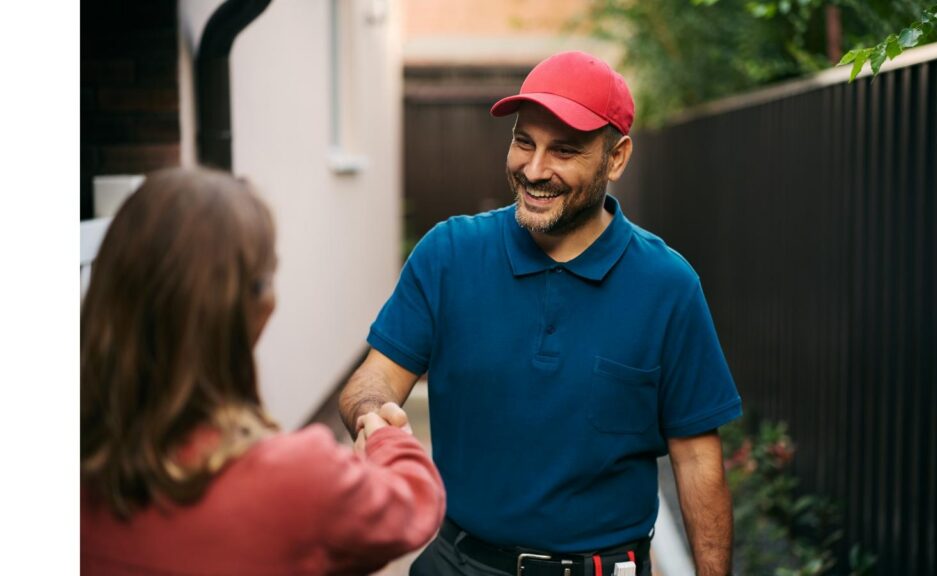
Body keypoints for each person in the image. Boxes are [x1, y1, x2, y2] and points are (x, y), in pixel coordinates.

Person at [339, 51, 742, 576]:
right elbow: (372, 380)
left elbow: (697, 462)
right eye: (523, 141)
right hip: (457, 563)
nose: (533, 170)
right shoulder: (450, 254)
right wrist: (374, 414)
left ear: (616, 158)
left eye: (564, 150)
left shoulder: (667, 285)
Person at [81, 167, 445, 575]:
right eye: (267, 277)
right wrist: (390, 441)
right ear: (249, 309)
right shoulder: (293, 478)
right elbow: (413, 503)